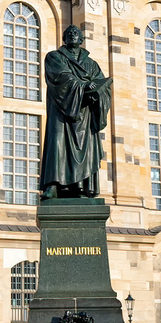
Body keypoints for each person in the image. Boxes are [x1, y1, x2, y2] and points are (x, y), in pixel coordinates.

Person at [39, 25, 113, 199]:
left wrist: (98, 95)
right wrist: (84, 86)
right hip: (61, 110)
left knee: (85, 148)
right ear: (64, 38)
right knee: (57, 143)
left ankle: (80, 187)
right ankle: (54, 185)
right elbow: (60, 77)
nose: (73, 35)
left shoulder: (91, 64)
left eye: (76, 33)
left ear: (81, 40)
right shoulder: (54, 57)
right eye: (69, 33)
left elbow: (103, 86)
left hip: (85, 114)